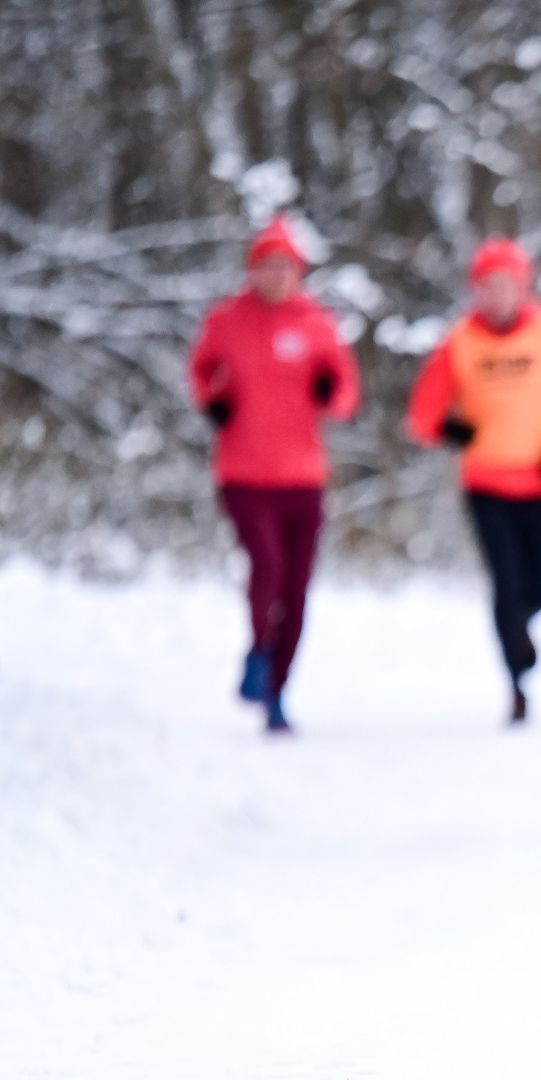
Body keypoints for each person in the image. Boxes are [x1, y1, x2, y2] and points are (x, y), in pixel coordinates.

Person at [406, 239, 541, 724]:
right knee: (505, 583)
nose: (496, 296)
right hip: (487, 483)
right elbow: (422, 414)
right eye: (487, 287)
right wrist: (448, 429)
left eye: (505, 285)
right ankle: (515, 683)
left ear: (522, 288)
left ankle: (523, 629)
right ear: (475, 291)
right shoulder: (459, 341)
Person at [187, 216, 361, 733]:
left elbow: (347, 387)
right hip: (242, 471)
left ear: (299, 272)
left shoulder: (317, 324)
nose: (276, 276)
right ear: (253, 270)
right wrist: (211, 402)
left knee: (298, 586)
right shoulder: (228, 320)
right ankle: (259, 651)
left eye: (285, 267)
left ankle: (277, 692)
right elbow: (201, 369)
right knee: (267, 566)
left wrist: (334, 394)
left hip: (303, 476)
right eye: (266, 266)